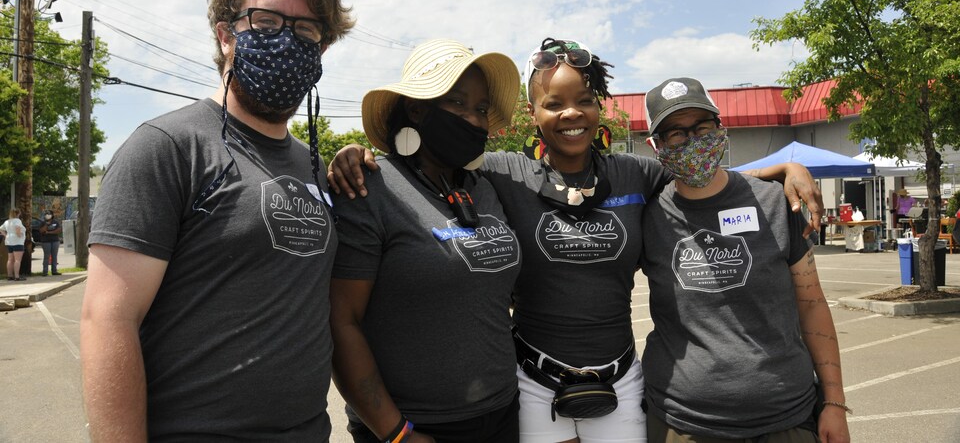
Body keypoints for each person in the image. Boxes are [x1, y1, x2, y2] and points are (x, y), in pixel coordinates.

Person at [329, 38, 825, 443]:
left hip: (619, 379)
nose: (572, 113)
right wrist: (357, 154)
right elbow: (414, 171)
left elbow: (700, 175)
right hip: (531, 384)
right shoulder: (502, 173)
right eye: (555, 103)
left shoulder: (634, 175)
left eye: (584, 100)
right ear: (532, 114)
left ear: (599, 106)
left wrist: (784, 168)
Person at [80, 0, 354, 441]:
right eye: (267, 22)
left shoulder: (314, 165)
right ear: (227, 35)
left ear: (322, 50)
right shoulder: (166, 147)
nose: (286, 42)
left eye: (306, 31)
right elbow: (107, 320)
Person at [330, 39, 523, 443]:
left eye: (481, 109)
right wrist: (395, 433)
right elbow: (341, 321)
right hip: (414, 428)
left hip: (503, 413)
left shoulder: (484, 187)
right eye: (456, 103)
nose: (472, 119)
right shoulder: (370, 189)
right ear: (417, 109)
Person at [640, 77, 850, 443]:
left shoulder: (775, 203)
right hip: (684, 423)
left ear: (721, 130)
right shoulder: (648, 216)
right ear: (655, 146)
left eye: (702, 127)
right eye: (676, 133)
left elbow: (813, 304)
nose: (692, 141)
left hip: (786, 418)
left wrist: (834, 401)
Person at [2, 209, 27, 281]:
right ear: (18, 214)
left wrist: (6, 235)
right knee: (17, 260)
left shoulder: (7, 221)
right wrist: (19, 234)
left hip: (9, 241)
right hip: (17, 241)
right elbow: (18, 228)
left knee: (10, 259)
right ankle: (17, 276)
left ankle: (9, 275)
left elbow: (1, 229)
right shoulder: (17, 220)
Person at [38, 209, 62, 276]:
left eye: (49, 214)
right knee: (46, 256)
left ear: (52, 215)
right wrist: (46, 224)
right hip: (46, 241)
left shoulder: (55, 222)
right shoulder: (42, 223)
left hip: (55, 241)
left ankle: (54, 271)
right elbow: (41, 231)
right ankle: (45, 271)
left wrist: (49, 232)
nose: (47, 215)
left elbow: (59, 230)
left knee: (54, 256)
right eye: (46, 214)